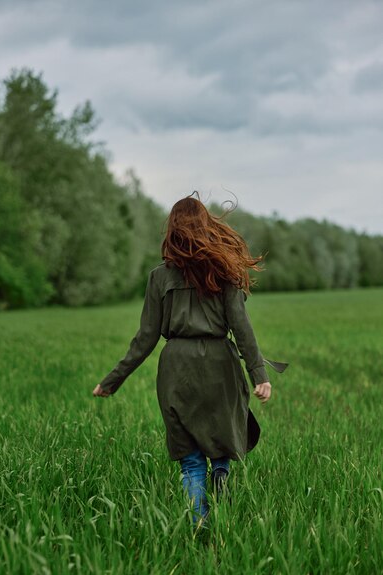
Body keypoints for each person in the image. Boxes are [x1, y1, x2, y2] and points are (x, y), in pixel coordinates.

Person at [93, 192, 288, 531]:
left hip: (176, 368)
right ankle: (223, 481)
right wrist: (259, 374)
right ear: (206, 227)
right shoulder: (225, 271)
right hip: (220, 365)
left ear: (172, 230)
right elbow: (241, 327)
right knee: (222, 437)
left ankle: (199, 526)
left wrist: (112, 380)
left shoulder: (159, 277)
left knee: (191, 462)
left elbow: (145, 338)